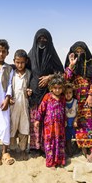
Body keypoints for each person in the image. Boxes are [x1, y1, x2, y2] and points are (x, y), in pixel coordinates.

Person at [28, 28, 64, 157]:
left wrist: (49, 77)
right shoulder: (30, 55)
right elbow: (26, 73)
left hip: (48, 95)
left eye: (45, 39)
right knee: (34, 121)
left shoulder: (52, 55)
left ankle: (45, 147)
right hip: (34, 93)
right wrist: (28, 88)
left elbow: (61, 72)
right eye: (40, 38)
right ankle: (34, 147)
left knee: (46, 121)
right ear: (36, 40)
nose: (42, 41)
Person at [64, 41, 92, 163]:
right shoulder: (70, 67)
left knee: (88, 125)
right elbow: (66, 79)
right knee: (77, 125)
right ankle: (83, 148)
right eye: (76, 52)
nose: (79, 54)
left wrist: (90, 95)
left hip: (87, 102)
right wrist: (72, 65)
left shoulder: (90, 66)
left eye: (81, 52)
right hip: (74, 103)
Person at [34, 73, 66, 169]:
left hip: (59, 126)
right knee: (50, 143)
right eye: (55, 88)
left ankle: (59, 161)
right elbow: (41, 109)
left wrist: (65, 120)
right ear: (51, 88)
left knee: (59, 142)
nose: (57, 90)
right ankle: (51, 162)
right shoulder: (47, 96)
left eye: (59, 88)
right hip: (49, 126)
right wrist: (37, 120)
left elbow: (64, 111)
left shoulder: (63, 98)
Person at [9, 49, 32, 161]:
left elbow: (30, 86)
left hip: (24, 104)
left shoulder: (28, 73)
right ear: (14, 61)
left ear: (26, 61)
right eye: (17, 62)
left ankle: (23, 150)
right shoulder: (11, 73)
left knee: (24, 126)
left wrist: (29, 91)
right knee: (13, 126)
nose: (20, 65)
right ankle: (12, 149)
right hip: (13, 105)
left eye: (22, 62)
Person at [64, 82, 78, 158]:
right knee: (68, 138)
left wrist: (75, 120)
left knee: (75, 136)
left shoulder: (75, 102)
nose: (68, 94)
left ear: (73, 93)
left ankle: (77, 148)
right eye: (66, 93)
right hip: (66, 123)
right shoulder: (63, 102)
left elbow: (78, 112)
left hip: (73, 122)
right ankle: (69, 152)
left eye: (70, 93)